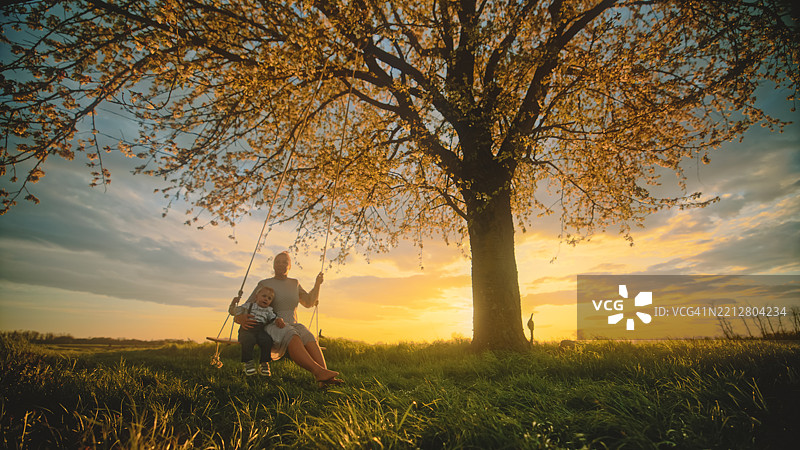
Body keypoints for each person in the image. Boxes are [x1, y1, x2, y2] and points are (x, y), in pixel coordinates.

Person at [235, 251, 342, 387]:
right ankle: (319, 373)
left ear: (290, 265)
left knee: (309, 336)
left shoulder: (294, 283)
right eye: (277, 262)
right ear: (273, 265)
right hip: (273, 323)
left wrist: (317, 284)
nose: (280, 264)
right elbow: (249, 305)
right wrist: (240, 318)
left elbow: (309, 302)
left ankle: (325, 380)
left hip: (293, 323)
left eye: (284, 262)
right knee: (293, 336)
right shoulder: (264, 283)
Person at [229, 285, 285, 376]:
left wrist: (279, 320)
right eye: (264, 296)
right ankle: (248, 363)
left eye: (269, 298)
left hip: (260, 329)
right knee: (248, 340)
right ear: (256, 297)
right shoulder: (249, 306)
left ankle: (264, 363)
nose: (266, 299)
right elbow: (233, 312)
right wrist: (233, 304)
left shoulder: (269, 310)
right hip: (246, 329)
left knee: (267, 340)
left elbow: (274, 318)